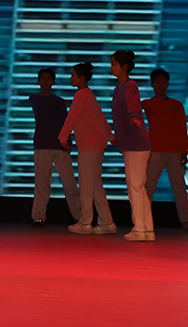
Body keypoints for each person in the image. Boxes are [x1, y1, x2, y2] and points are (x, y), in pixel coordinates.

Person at [143, 68, 188, 233]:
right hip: (155, 150)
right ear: (152, 84)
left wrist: (184, 150)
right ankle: (142, 221)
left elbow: (182, 128)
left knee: (180, 188)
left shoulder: (177, 105)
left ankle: (187, 221)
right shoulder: (147, 104)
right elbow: (132, 116)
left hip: (175, 151)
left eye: (164, 81)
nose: (161, 85)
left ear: (168, 84)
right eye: (158, 82)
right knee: (149, 187)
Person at [59, 62, 115, 235]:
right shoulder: (89, 95)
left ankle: (85, 222)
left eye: (73, 75)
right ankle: (106, 221)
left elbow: (72, 117)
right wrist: (110, 137)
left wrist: (62, 136)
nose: (71, 78)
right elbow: (101, 118)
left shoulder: (81, 94)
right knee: (96, 185)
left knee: (86, 184)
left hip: (89, 146)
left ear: (81, 78)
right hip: (97, 145)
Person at [110, 50, 155, 242]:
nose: (111, 67)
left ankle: (139, 229)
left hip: (136, 144)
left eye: (114, 64)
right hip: (131, 144)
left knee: (135, 188)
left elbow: (134, 106)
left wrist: (136, 119)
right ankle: (147, 229)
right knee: (139, 188)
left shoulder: (130, 85)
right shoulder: (119, 88)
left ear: (124, 66)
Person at [30, 68, 82, 226]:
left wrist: (68, 142)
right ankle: (38, 216)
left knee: (70, 183)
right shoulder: (36, 99)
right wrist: (64, 102)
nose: (45, 81)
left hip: (60, 145)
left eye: (48, 78)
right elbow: (43, 104)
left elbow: (66, 122)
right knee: (42, 183)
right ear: (38, 81)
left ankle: (80, 217)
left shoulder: (59, 102)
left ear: (53, 82)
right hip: (42, 145)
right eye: (43, 78)